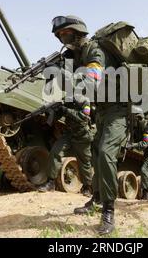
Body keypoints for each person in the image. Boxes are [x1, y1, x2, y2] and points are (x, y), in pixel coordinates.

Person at [51, 15, 128, 235]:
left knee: (105, 153)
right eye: (59, 36)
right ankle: (96, 197)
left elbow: (93, 77)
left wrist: (68, 76)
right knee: (94, 153)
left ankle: (109, 210)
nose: (62, 39)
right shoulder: (76, 56)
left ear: (78, 31)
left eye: (65, 34)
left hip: (119, 109)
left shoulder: (94, 50)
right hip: (102, 111)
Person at [37, 100, 93, 197]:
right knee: (55, 152)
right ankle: (51, 183)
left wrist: (66, 110)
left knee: (84, 161)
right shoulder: (67, 100)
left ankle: (87, 187)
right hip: (69, 134)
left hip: (82, 136)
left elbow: (83, 117)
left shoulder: (85, 101)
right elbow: (56, 117)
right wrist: (51, 111)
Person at [126, 110, 148, 200]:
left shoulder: (147, 128)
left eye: (135, 120)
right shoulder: (140, 129)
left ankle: (146, 195)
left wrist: (132, 145)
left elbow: (145, 144)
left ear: (140, 118)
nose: (134, 123)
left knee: (145, 170)